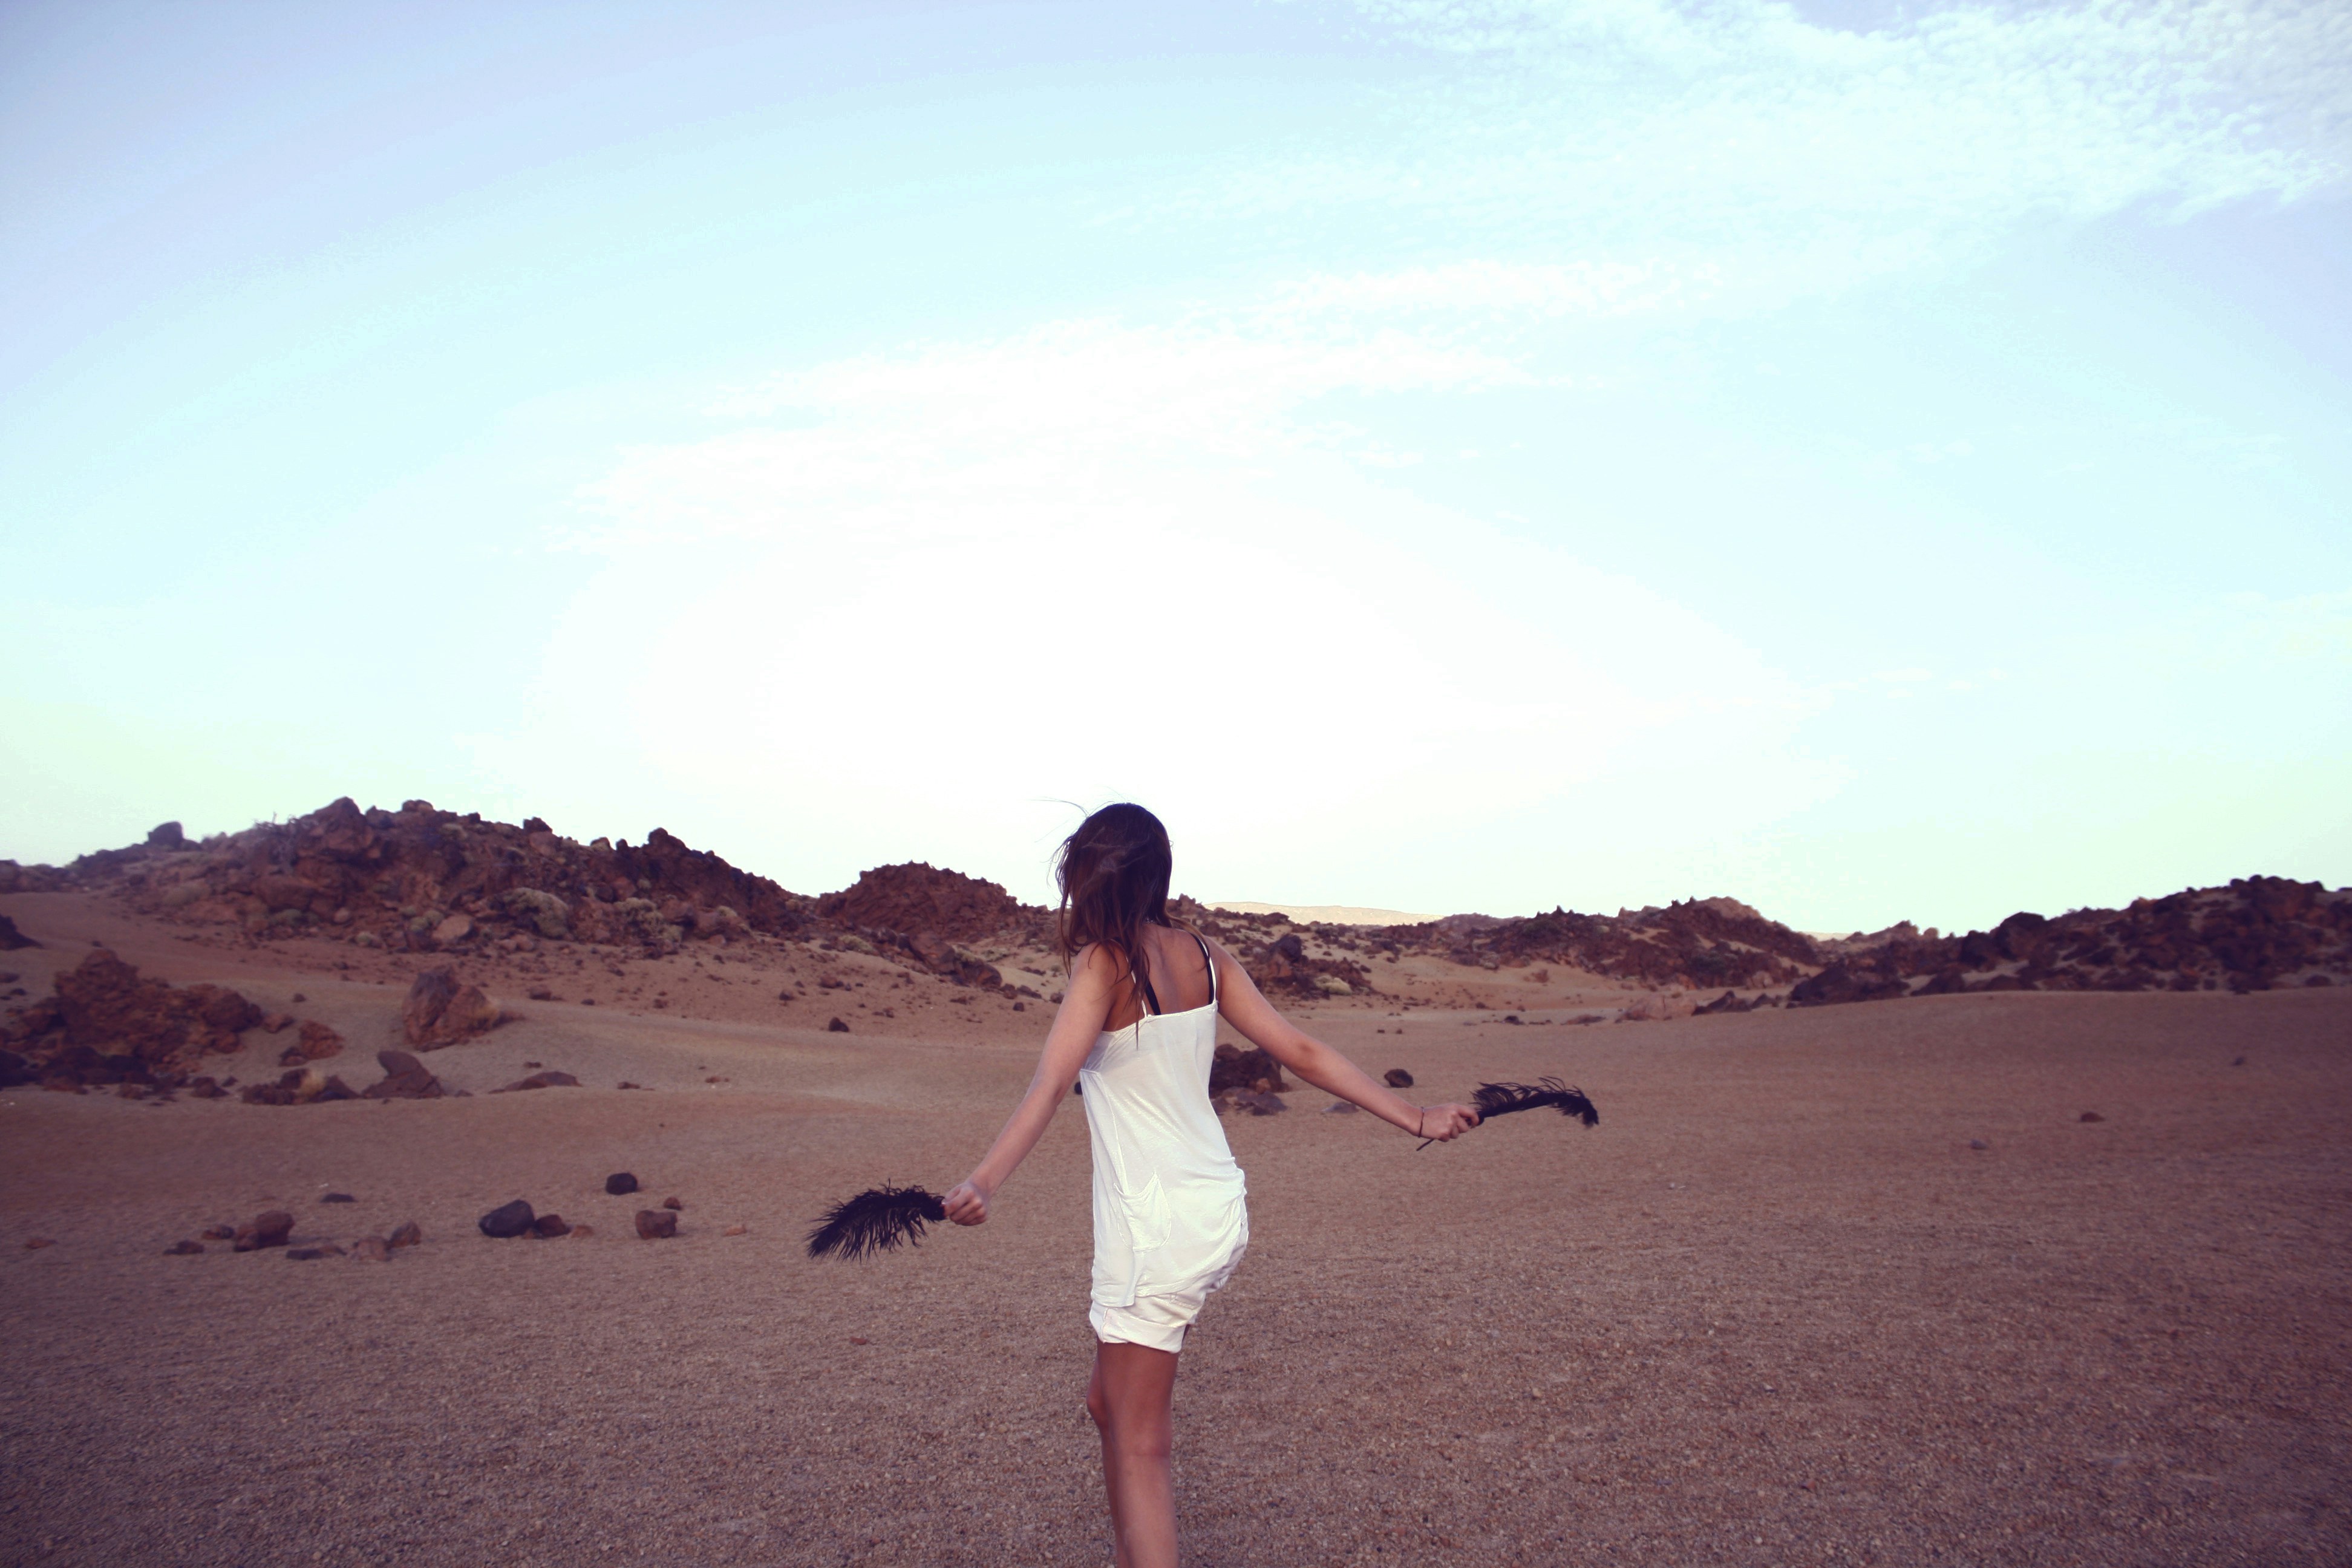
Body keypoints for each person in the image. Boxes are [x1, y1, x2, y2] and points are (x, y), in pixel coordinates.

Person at [940, 803, 1479, 1568]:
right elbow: (1298, 1048)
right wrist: (1413, 1115)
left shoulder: (1104, 963)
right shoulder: (1205, 953)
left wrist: (985, 1182)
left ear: (1092, 878)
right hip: (1212, 1205)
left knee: (1142, 1446)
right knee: (1108, 1406)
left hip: (1153, 1226)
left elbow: (1048, 1085)